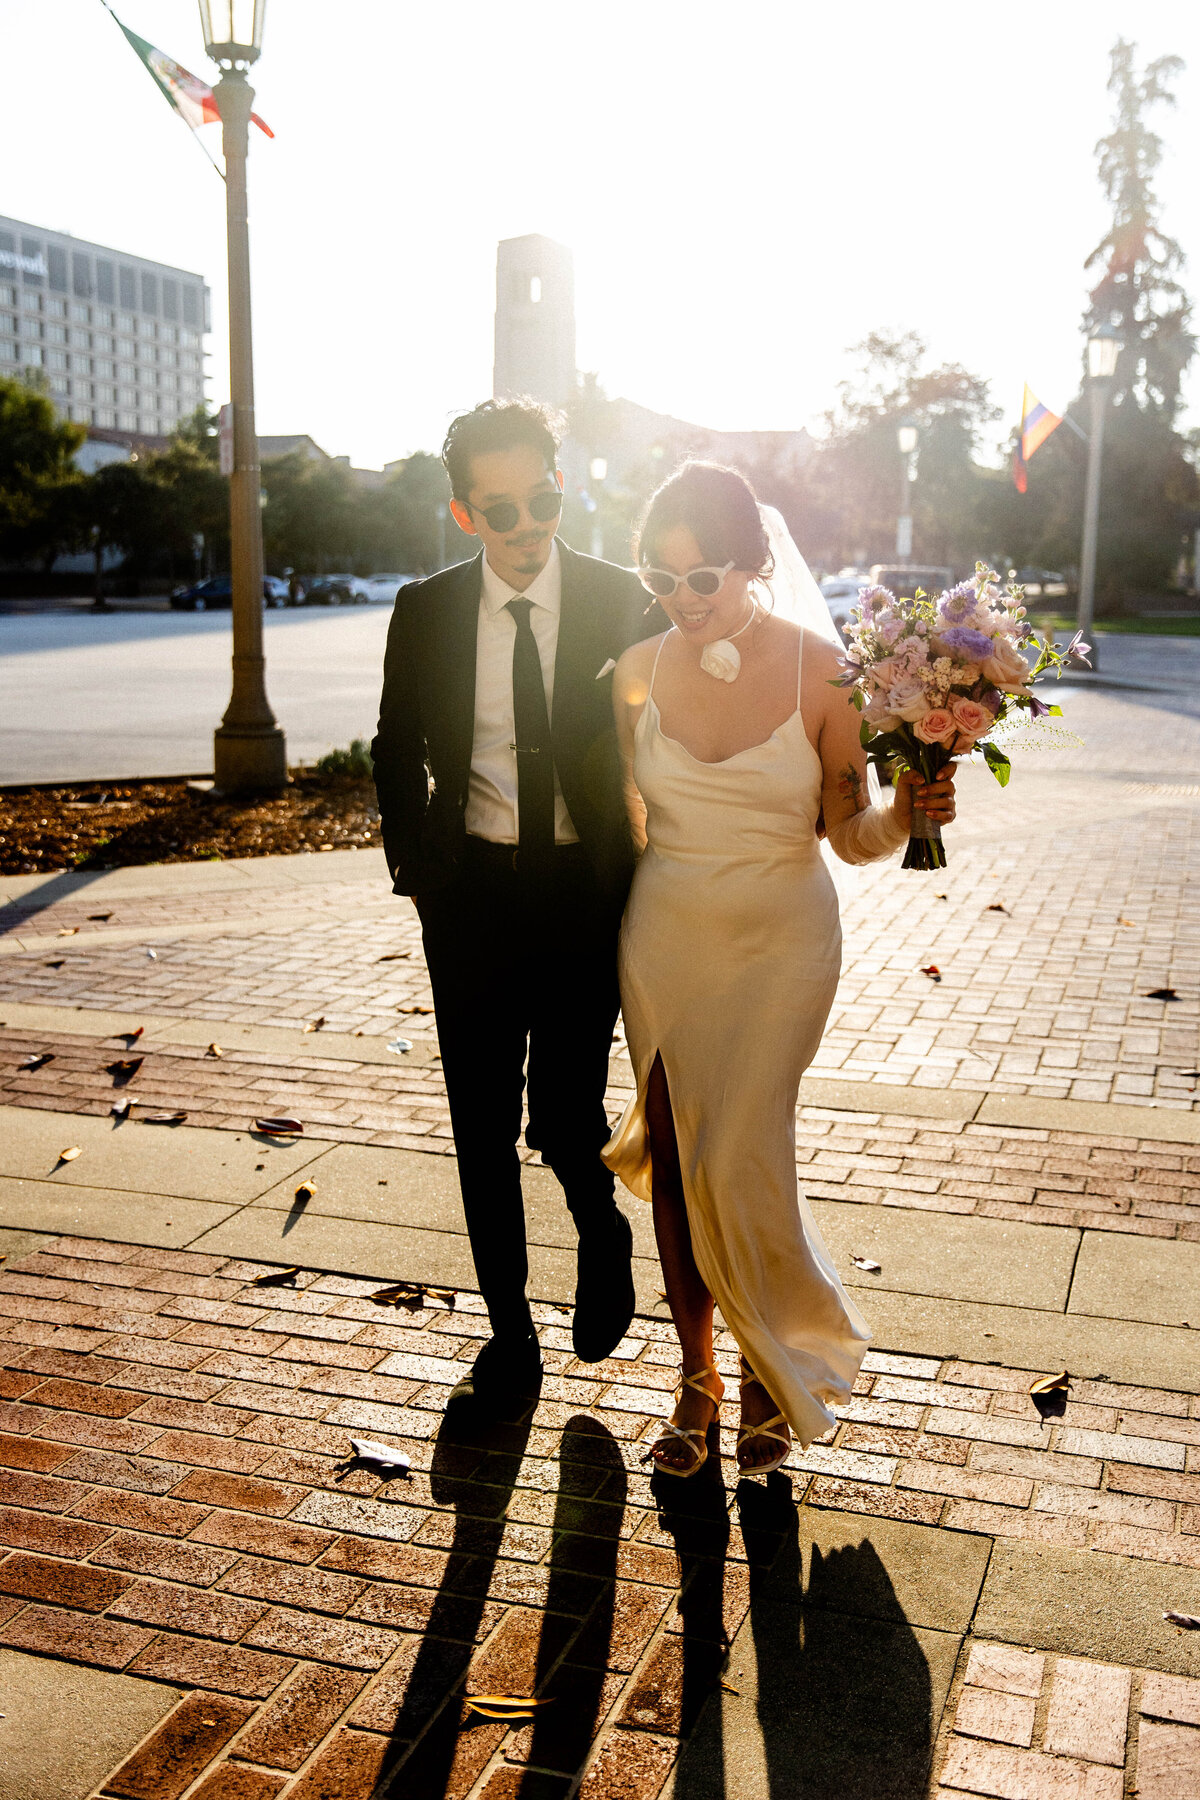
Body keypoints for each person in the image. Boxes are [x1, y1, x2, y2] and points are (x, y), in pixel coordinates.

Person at [604, 462, 956, 1476]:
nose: (682, 600)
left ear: (753, 562)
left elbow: (846, 831)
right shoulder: (632, 670)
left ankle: (775, 1364)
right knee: (680, 1162)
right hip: (665, 939)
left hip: (782, 944)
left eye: (701, 576)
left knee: (742, 1158)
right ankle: (697, 1377)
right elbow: (625, 821)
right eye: (660, 578)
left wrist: (906, 814)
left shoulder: (825, 672)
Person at [371, 399, 661, 1410]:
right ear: (465, 515)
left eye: (542, 500)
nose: (527, 524)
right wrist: (418, 870)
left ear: (560, 488)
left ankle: (601, 1230)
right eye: (502, 511)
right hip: (471, 899)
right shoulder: (427, 610)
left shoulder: (625, 600)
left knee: (567, 1112)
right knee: (480, 1122)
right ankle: (509, 1328)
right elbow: (394, 745)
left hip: (586, 892)